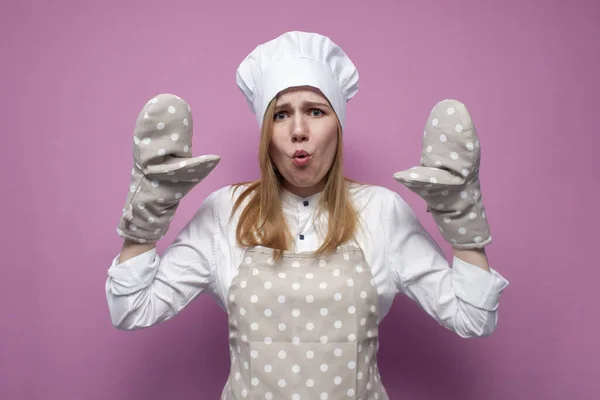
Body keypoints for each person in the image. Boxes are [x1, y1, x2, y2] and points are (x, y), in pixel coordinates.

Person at [106, 31, 510, 399]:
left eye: (316, 111)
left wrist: (461, 214)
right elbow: (132, 308)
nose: (298, 129)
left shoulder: (382, 212)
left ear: (338, 125)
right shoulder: (224, 212)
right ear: (267, 132)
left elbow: (473, 318)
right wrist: (150, 209)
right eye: (281, 114)